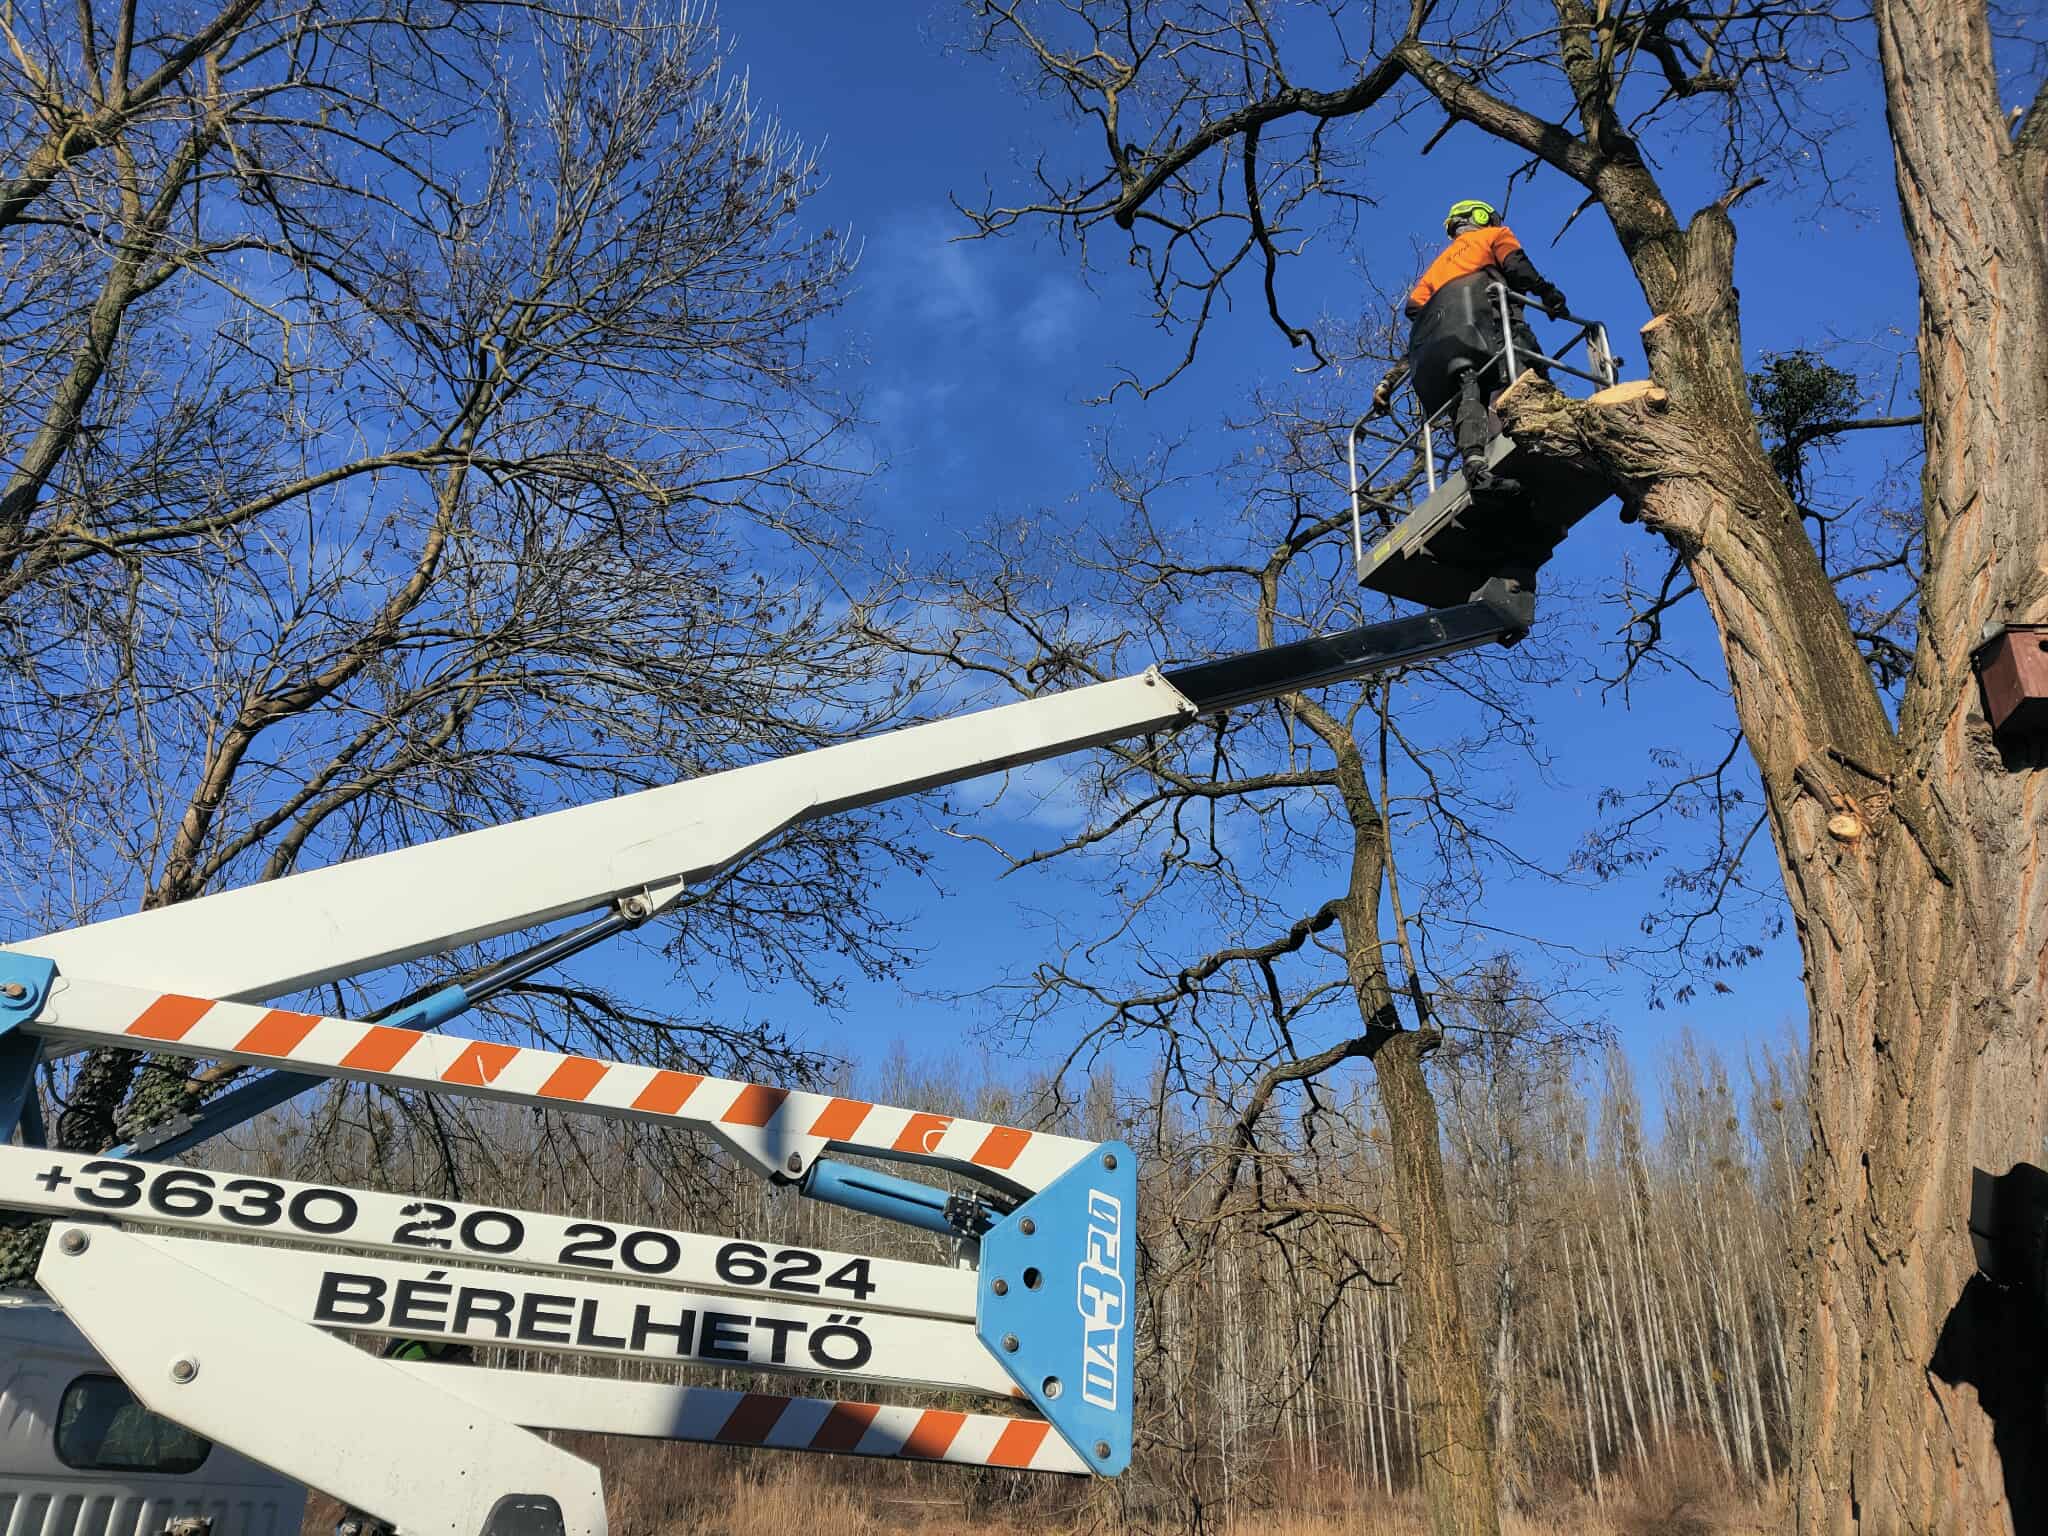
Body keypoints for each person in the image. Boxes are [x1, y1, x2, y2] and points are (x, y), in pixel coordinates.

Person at [1368, 198, 1569, 501]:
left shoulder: (1437, 266)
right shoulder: (1494, 236)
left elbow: (1416, 310)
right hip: (1499, 330)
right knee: (1535, 378)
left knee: (1468, 389)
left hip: (1452, 344)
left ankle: (1475, 466)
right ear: (1481, 217)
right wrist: (1548, 294)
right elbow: (1518, 268)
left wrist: (1388, 381)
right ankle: (1567, 435)